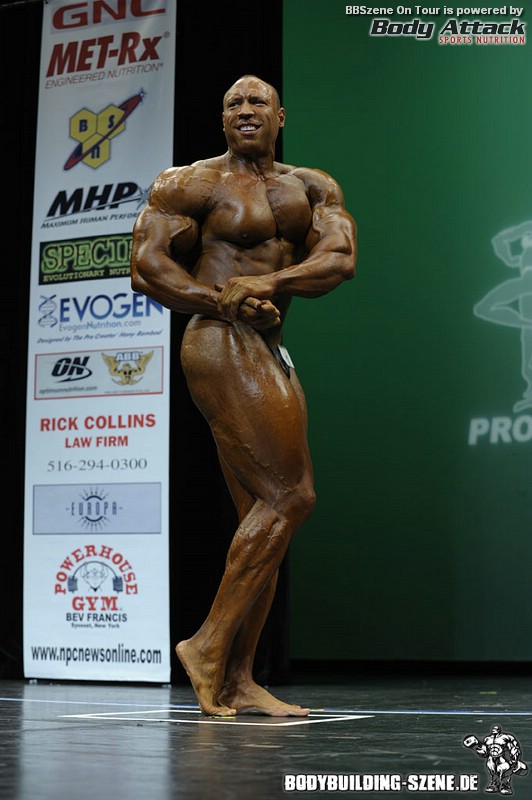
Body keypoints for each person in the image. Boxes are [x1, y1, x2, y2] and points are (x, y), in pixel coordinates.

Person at [130, 74, 357, 716]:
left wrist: (271, 283)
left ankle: (237, 679)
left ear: (280, 116)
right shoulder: (190, 184)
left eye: (258, 102)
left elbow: (339, 259)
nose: (246, 109)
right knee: (292, 496)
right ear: (223, 119)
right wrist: (222, 300)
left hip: (268, 345)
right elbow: (147, 266)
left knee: (266, 519)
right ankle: (206, 646)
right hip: (217, 339)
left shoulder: (312, 186)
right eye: (234, 103)